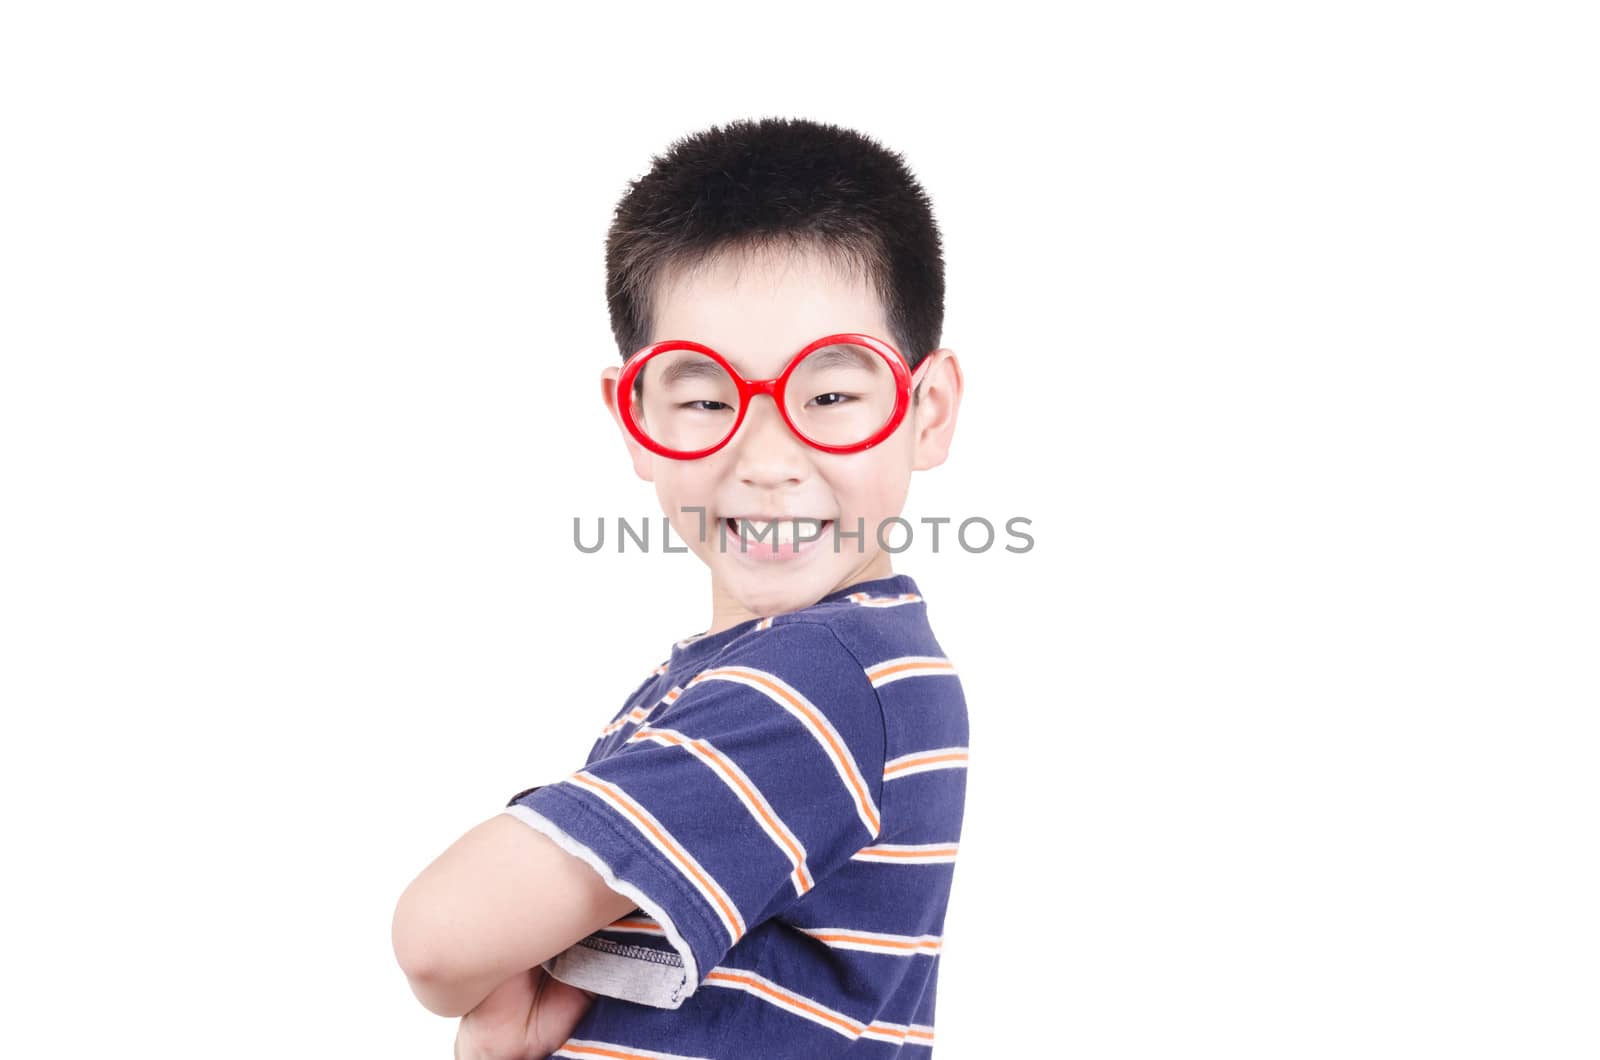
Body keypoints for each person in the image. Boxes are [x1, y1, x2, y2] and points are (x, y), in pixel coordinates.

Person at [392, 116, 969, 1058]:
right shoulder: (744, 677)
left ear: (927, 410)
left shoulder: (819, 681)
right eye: (706, 401)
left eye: (829, 397)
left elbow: (437, 939)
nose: (770, 460)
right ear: (637, 419)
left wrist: (517, 947)